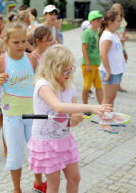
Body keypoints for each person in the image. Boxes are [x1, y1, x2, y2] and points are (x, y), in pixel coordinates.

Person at [28, 44, 112, 193]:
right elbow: (59, 107)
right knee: (53, 185)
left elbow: (71, 120)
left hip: (64, 139)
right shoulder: (43, 85)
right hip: (47, 142)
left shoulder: (70, 87)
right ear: (51, 68)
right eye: (63, 70)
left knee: (75, 178)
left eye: (70, 69)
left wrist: (76, 119)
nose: (68, 73)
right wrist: (90, 107)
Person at [0, 21, 46, 193]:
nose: (21, 45)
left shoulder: (32, 59)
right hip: (12, 115)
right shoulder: (0, 62)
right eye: (16, 42)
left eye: (23, 41)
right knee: (15, 154)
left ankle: (38, 182)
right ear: (6, 41)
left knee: (37, 151)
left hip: (32, 114)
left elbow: (40, 83)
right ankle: (17, 189)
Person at [98, 10, 125, 132]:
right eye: (118, 21)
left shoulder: (113, 34)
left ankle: (109, 119)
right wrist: (108, 71)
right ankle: (104, 123)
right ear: (110, 22)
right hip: (110, 72)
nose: (120, 23)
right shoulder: (107, 36)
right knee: (107, 98)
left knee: (112, 97)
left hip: (116, 71)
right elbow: (103, 55)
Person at [81, 10, 103, 105]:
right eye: (96, 20)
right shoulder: (87, 33)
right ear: (91, 21)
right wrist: (88, 63)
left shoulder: (99, 33)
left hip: (98, 63)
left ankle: (102, 106)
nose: (99, 21)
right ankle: (85, 106)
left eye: (100, 19)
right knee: (87, 87)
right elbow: (84, 48)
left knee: (99, 86)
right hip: (88, 64)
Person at [111, 3, 128, 93]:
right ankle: (114, 84)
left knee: (122, 65)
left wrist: (125, 36)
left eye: (119, 11)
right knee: (115, 65)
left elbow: (124, 32)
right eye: (116, 11)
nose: (118, 12)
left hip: (122, 46)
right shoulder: (111, 21)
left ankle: (118, 84)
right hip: (115, 46)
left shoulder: (123, 21)